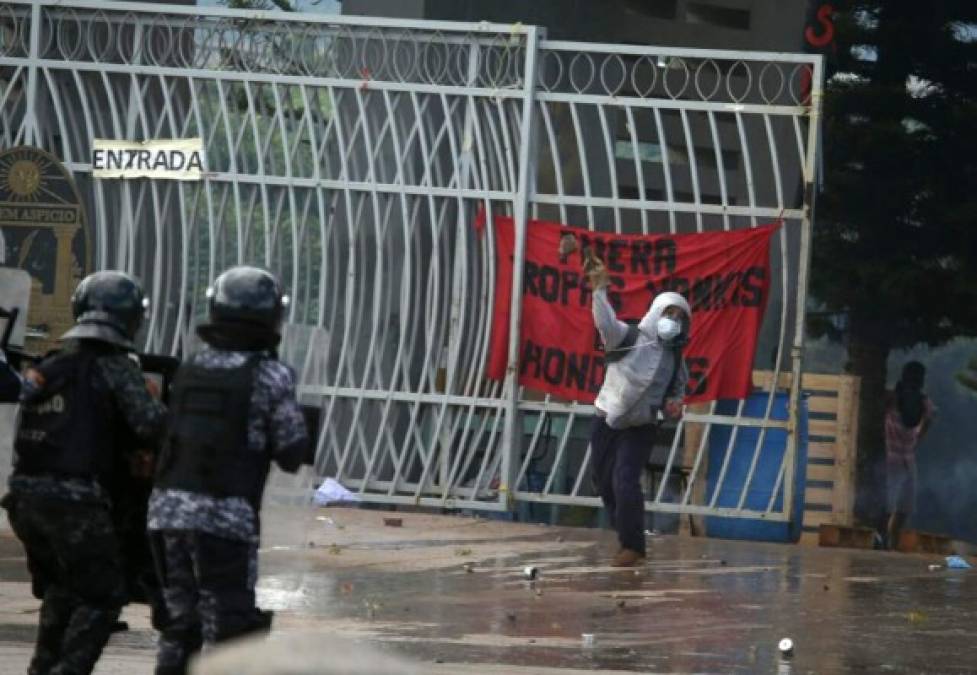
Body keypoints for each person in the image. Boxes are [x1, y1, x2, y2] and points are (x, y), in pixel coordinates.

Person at [0, 271, 167, 675]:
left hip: (24, 500)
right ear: (129, 317)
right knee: (104, 596)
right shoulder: (113, 366)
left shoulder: (51, 366)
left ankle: (42, 669)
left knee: (63, 589)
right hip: (74, 501)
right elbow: (150, 426)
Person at [148, 266, 309, 675]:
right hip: (226, 519)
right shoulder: (271, 375)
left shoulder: (190, 369)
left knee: (180, 623)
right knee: (231, 629)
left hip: (167, 512)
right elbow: (292, 451)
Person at [583, 250, 690, 567]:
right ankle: (625, 531)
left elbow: (678, 391)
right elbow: (604, 322)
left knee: (625, 479)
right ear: (656, 312)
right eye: (668, 314)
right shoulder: (628, 337)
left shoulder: (676, 360)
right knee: (604, 482)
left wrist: (675, 405)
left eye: (679, 317)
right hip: (606, 419)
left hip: (641, 427)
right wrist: (599, 289)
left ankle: (633, 547)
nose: (673, 322)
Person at [884, 361, 934, 550]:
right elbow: (930, 417)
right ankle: (889, 544)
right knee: (898, 508)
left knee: (895, 506)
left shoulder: (895, 397)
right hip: (901, 459)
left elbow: (929, 417)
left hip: (897, 458)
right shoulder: (920, 401)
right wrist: (917, 440)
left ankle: (889, 545)